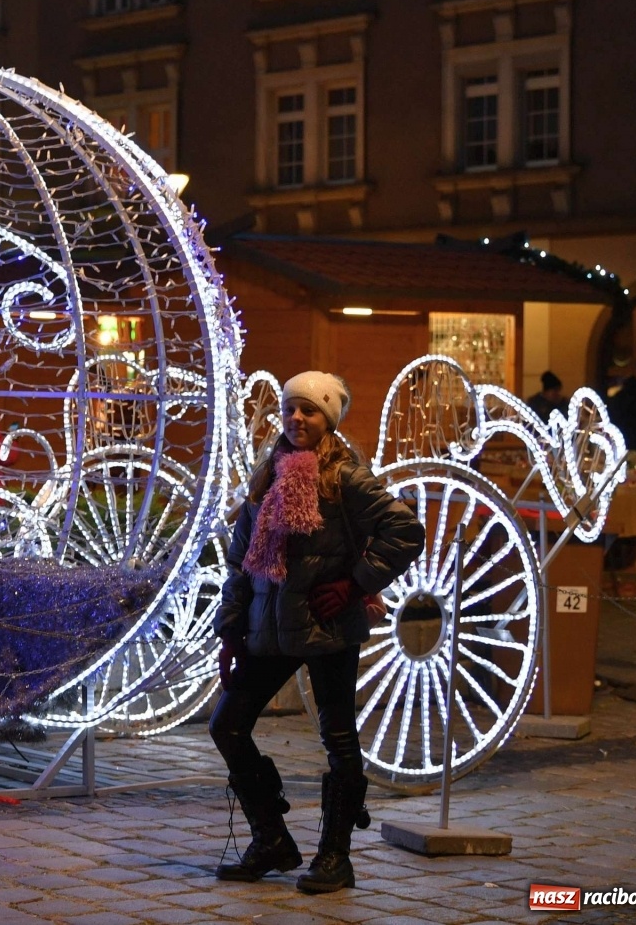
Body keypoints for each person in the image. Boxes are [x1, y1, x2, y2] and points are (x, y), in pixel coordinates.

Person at [210, 372, 425, 894]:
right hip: (270, 627)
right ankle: (272, 840)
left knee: (338, 739)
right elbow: (241, 564)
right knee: (227, 724)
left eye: (308, 410)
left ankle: (335, 857)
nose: (296, 418)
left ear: (327, 418)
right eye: (290, 409)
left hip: (328, 625)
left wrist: (355, 584)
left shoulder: (344, 477)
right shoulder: (268, 477)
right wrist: (230, 632)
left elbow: (406, 530)